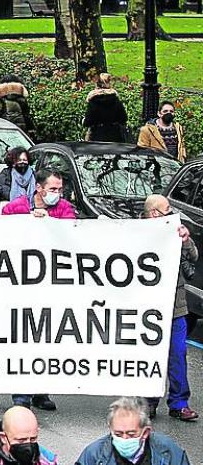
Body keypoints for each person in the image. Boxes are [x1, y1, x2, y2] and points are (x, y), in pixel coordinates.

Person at [1, 170, 73, 411]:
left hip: (51, 285)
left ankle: (41, 392)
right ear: (39, 188)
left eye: (59, 189)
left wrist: (49, 224)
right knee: (24, 340)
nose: (57, 194)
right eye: (53, 189)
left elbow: (72, 234)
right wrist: (28, 221)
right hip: (21, 285)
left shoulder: (63, 209)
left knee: (46, 339)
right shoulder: (16, 207)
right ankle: (21, 396)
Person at [144, 195, 198, 422]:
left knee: (178, 354)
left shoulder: (175, 229)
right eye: (167, 209)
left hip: (175, 306)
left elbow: (193, 257)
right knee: (148, 357)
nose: (171, 212)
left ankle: (179, 403)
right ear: (154, 213)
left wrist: (186, 240)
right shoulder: (135, 232)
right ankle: (148, 402)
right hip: (147, 309)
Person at [75, 397, 191, 465]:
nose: (124, 439)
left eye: (131, 434)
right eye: (118, 434)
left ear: (145, 432)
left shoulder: (170, 453)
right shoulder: (94, 455)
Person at [83, 73, 128, 143]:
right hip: (115, 135)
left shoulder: (93, 101)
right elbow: (124, 118)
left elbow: (87, 122)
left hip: (97, 135)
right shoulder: (115, 100)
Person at [0, 75, 37, 140]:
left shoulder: (0, 99)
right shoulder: (21, 99)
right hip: (20, 128)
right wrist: (31, 129)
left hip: (5, 126)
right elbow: (26, 115)